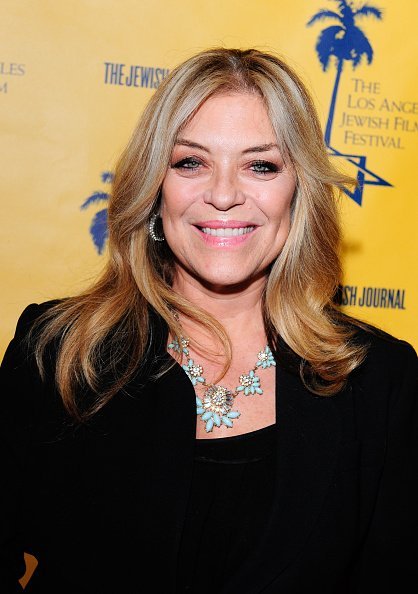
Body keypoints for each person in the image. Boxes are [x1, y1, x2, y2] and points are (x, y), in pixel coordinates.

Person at [1, 48, 417, 594]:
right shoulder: (58, 351)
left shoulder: (379, 381)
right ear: (154, 188)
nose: (223, 195)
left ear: (300, 192)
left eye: (260, 165)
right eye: (190, 162)